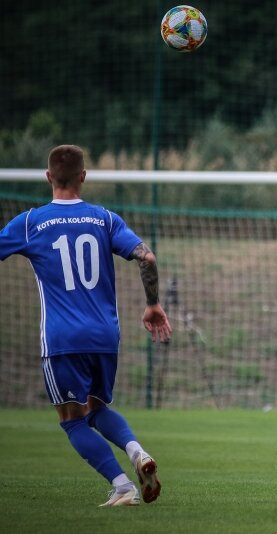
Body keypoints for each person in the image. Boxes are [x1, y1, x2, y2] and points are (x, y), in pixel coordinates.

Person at [0, 145, 172, 507]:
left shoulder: (30, 222)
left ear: (48, 177)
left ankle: (122, 486)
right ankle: (137, 451)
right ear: (83, 176)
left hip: (62, 338)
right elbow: (146, 257)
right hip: (105, 336)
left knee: (72, 420)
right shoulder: (105, 219)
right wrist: (153, 304)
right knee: (96, 409)